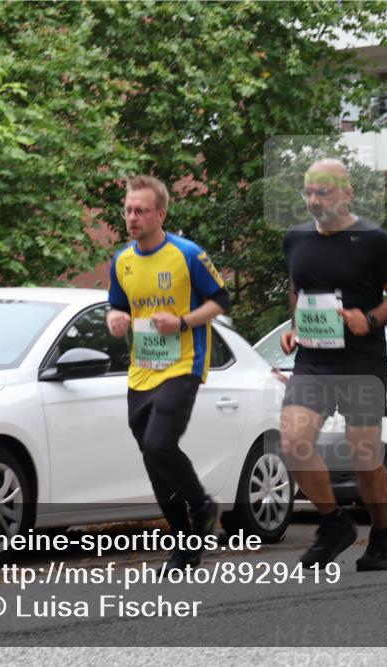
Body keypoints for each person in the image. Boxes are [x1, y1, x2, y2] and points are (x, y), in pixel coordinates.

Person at [280, 159, 387, 571]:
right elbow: (298, 289)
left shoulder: (374, 240)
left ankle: (381, 535)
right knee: (293, 443)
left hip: (362, 358)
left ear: (347, 193)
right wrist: (293, 327)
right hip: (313, 359)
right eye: (309, 192)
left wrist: (369, 319)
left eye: (325, 191)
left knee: (363, 453)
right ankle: (334, 523)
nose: (315, 200)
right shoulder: (296, 238)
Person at [106, 174, 231, 571]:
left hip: (183, 363)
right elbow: (116, 306)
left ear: (161, 213)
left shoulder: (187, 254)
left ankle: (203, 507)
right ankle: (184, 544)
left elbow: (221, 300)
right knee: (151, 456)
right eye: (127, 210)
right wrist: (116, 319)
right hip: (142, 368)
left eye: (140, 210)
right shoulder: (122, 261)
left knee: (160, 444)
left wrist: (182, 322)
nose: (132, 217)